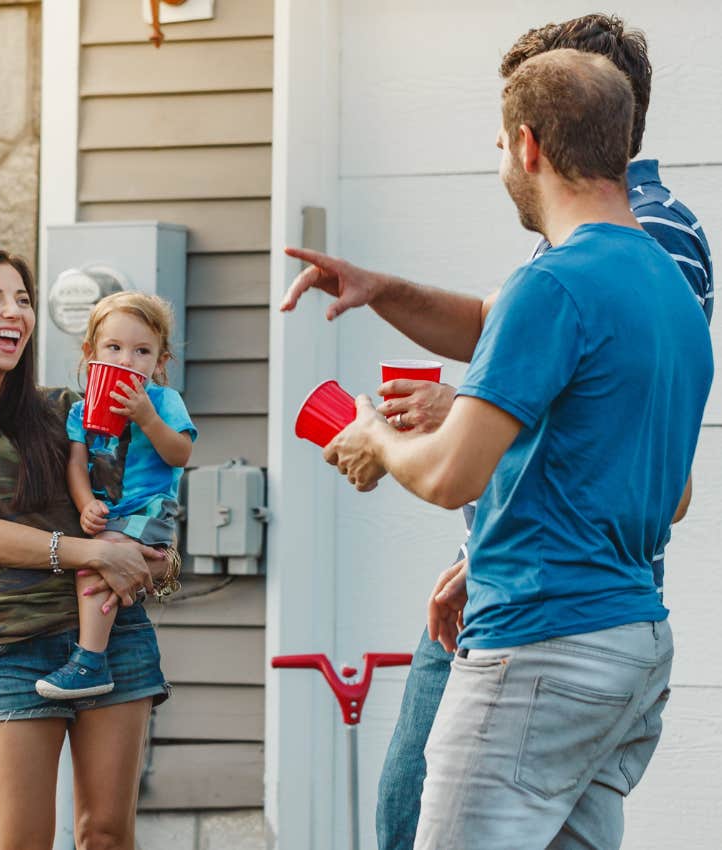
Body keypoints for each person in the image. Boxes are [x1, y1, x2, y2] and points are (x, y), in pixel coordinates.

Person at [280, 15, 714, 849]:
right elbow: (671, 481)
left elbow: (449, 476)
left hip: (538, 642)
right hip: (630, 640)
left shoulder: (553, 283)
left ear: (527, 146)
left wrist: (376, 435)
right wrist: (387, 292)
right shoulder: (665, 288)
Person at [0, 247, 175, 849]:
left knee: (106, 836)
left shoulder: (62, 409)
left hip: (109, 635)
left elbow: (136, 493)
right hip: (8, 646)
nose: (13, 311)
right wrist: (90, 554)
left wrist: (154, 553)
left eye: (21, 298)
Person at [36, 291, 195, 699]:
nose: (127, 360)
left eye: (142, 351)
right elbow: (75, 464)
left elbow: (180, 453)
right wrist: (85, 502)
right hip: (109, 514)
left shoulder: (163, 401)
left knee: (96, 561)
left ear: (160, 362)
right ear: (91, 354)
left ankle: (89, 660)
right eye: (114, 347)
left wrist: (147, 418)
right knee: (98, 562)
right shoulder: (80, 411)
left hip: (148, 511)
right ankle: (96, 658)